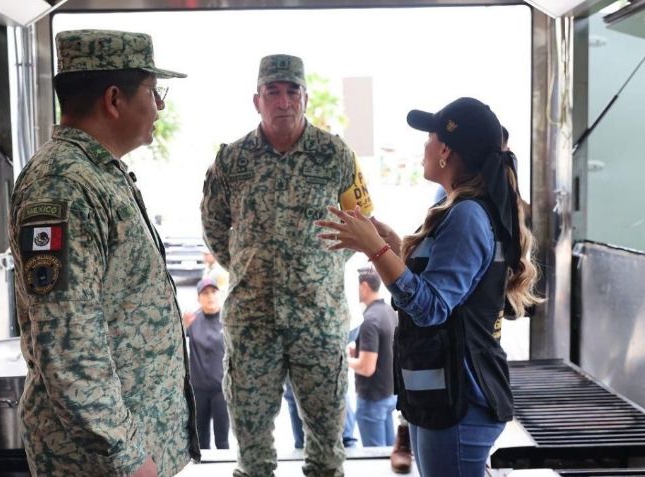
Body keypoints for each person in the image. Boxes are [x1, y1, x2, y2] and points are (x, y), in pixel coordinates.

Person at [316, 97, 542, 476]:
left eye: (429, 137)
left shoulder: (468, 214)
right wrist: (388, 242)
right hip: (439, 396)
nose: (423, 147)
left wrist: (376, 249)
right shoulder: (458, 207)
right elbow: (437, 290)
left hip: (460, 398)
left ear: (446, 150)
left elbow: (431, 307)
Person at [8, 29, 197, 477]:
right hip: (99, 463)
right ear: (115, 99)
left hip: (130, 449)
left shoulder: (97, 175)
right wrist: (127, 458)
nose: (159, 106)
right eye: (153, 92)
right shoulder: (64, 186)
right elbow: (69, 346)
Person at [200, 53, 374, 477]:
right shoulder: (232, 161)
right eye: (272, 92)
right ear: (256, 101)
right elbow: (214, 226)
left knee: (327, 449)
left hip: (318, 320)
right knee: (252, 449)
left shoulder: (336, 156)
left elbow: (361, 225)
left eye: (291, 91)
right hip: (252, 324)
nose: (283, 101)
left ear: (306, 98)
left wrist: (318, 269)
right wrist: (251, 266)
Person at [347, 267, 397, 447]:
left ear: (364, 286)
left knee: (375, 459)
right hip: (389, 394)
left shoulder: (369, 320)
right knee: (389, 455)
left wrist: (343, 359)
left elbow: (367, 368)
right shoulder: (388, 312)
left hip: (372, 398)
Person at [183, 277, 230, 450]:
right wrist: (181, 326)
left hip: (221, 389)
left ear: (220, 295)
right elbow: (173, 342)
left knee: (222, 439)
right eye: (205, 293)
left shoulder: (228, 319)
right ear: (198, 298)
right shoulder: (192, 320)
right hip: (199, 389)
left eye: (213, 292)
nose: (210, 297)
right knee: (201, 440)